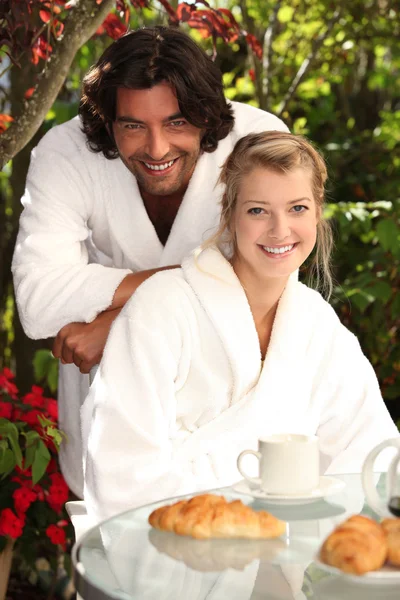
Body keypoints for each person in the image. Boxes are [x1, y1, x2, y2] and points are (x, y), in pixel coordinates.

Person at [11, 26, 289, 498]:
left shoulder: (258, 140)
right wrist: (216, 275)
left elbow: (273, 280)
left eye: (177, 122)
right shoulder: (66, 153)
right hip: (109, 433)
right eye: (133, 125)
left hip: (236, 441)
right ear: (107, 121)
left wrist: (115, 321)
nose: (156, 149)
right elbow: (38, 302)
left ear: (206, 117)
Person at [82, 131, 398, 523]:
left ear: (318, 212)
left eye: (297, 208)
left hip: (281, 563)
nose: (280, 230)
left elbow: (373, 459)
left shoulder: (317, 327)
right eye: (258, 211)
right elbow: (120, 470)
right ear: (230, 215)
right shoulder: (162, 307)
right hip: (167, 551)